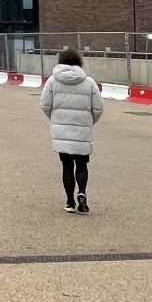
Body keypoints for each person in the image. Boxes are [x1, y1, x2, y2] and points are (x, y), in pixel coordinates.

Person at [39, 48, 105, 214]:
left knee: (67, 166)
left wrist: (55, 119)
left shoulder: (53, 81)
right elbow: (98, 107)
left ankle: (69, 202)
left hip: (62, 130)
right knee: (82, 165)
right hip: (82, 129)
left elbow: (45, 104)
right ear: (79, 62)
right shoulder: (89, 82)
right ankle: (82, 192)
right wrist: (89, 121)